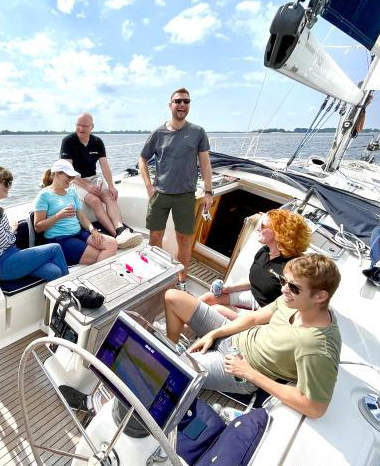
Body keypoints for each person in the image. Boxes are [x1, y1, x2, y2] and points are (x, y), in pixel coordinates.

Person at [176, 254, 342, 419]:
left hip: (242, 370)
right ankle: (176, 348)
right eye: (283, 281)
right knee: (174, 297)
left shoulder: (319, 347)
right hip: (235, 337)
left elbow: (315, 408)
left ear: (320, 296)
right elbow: (254, 318)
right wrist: (214, 333)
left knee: (175, 368)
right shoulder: (295, 302)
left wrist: (249, 373)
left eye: (294, 287)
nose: (283, 289)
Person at [167, 209, 311, 324]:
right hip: (251, 296)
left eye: (263, 226)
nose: (258, 229)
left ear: (280, 234)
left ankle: (182, 333)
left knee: (217, 309)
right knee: (207, 298)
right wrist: (226, 289)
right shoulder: (265, 251)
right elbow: (256, 281)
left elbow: (290, 308)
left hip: (266, 312)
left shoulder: (292, 268)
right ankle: (180, 325)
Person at [138, 88, 214, 292]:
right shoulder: (158, 133)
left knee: (184, 239)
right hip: (160, 194)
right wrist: (148, 186)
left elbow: (205, 164)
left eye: (186, 101)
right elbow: (142, 160)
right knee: (155, 238)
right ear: (170, 105)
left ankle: (181, 280)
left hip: (185, 196)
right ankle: (155, 277)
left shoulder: (198, 132)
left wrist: (208, 192)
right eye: (178, 101)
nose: (182, 105)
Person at [60, 112, 142, 249]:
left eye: (85, 126)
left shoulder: (97, 142)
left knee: (110, 196)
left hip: (93, 178)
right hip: (75, 180)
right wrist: (86, 185)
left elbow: (104, 165)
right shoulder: (68, 141)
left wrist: (111, 186)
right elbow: (66, 170)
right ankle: (116, 235)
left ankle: (121, 230)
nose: (81, 129)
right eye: (78, 125)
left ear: (92, 126)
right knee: (95, 201)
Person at [0, 166, 69, 281]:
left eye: (10, 183)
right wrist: (12, 229)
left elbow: (2, 238)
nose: (9, 187)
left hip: (12, 254)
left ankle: (59, 294)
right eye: (6, 183)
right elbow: (4, 242)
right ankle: (72, 292)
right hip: (3, 263)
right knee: (55, 248)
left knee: (55, 272)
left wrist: (8, 231)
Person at [34, 160, 118, 266]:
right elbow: (38, 227)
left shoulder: (72, 192)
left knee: (112, 244)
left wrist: (93, 230)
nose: (71, 180)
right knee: (99, 255)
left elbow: (82, 217)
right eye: (68, 177)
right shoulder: (44, 195)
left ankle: (97, 276)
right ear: (56, 174)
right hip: (61, 239)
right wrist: (58, 216)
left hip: (79, 233)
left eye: (73, 178)